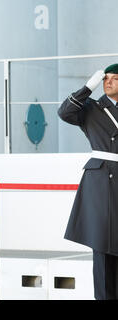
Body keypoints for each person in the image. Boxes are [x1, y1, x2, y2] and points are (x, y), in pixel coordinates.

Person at [59, 63, 118, 299]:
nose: (108, 81)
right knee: (102, 247)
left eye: (115, 78)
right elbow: (65, 113)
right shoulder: (92, 108)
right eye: (106, 78)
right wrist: (87, 87)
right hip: (101, 185)